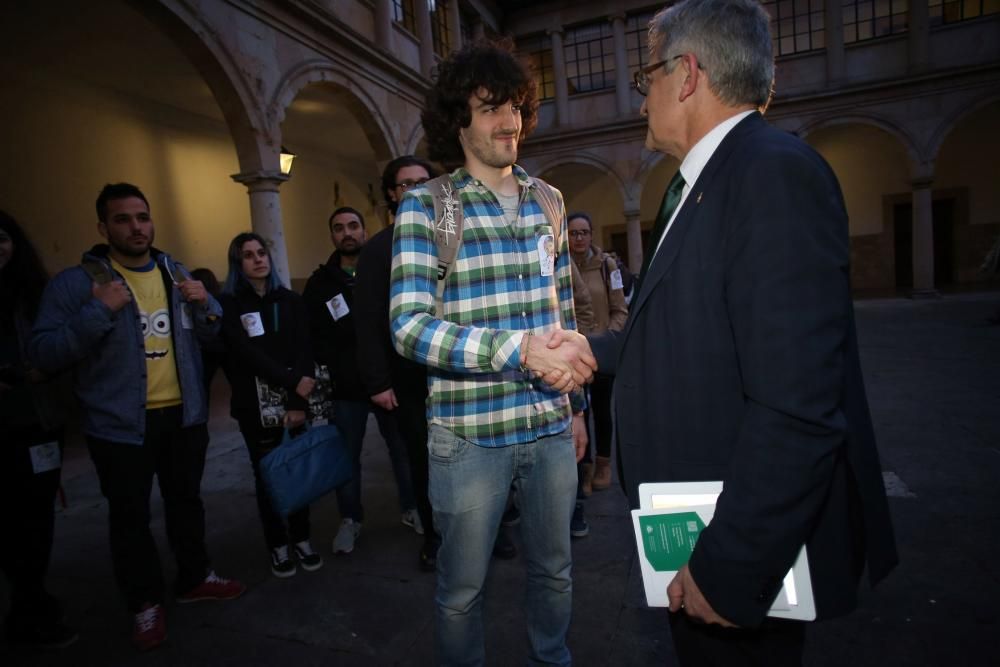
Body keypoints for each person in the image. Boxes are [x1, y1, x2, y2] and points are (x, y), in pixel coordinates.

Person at [580, 2, 899, 664]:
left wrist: (730, 566)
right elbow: (683, 330)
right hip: (689, 520)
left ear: (687, 73)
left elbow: (799, 408)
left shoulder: (769, 173)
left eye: (646, 76)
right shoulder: (703, 183)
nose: (641, 97)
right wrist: (587, 348)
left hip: (727, 546)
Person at [389, 40, 596, 666]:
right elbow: (408, 328)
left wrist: (578, 405)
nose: (508, 122)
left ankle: (552, 658)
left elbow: (562, 313)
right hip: (469, 437)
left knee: (556, 573)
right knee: (461, 591)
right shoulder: (429, 206)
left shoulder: (549, 201)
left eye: (515, 107)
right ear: (459, 121)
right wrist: (516, 349)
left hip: (548, 427)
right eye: (488, 109)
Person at [29, 183, 245, 652]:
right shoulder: (77, 283)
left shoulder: (173, 271)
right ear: (103, 228)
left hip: (183, 417)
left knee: (187, 502)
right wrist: (97, 312)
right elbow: (44, 352)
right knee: (130, 518)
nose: (136, 227)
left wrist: (206, 304)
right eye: (123, 219)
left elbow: (214, 337)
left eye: (142, 217)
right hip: (120, 425)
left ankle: (194, 577)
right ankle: (145, 602)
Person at [303, 206, 421, 555]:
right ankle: (350, 519)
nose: (347, 233)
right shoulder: (320, 283)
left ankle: (412, 507)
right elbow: (313, 334)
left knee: (402, 450)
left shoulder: (386, 269)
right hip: (347, 389)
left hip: (388, 381)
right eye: (339, 228)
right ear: (332, 236)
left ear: (364, 230)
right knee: (347, 457)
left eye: (353, 226)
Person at [355, 155, 443, 571]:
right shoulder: (376, 250)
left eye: (422, 183)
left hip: (456, 372)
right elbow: (368, 321)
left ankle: (489, 533)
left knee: (477, 457)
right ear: (392, 194)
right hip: (408, 378)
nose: (415, 191)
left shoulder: (450, 237)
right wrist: (377, 381)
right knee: (422, 462)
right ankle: (435, 538)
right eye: (406, 185)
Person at [218, 232, 324, 578]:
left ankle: (302, 538)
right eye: (248, 255)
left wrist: (297, 399)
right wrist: (291, 380)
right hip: (254, 408)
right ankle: (278, 545)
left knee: (296, 471)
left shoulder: (290, 301)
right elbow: (244, 354)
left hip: (295, 404)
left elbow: (304, 350)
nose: (257, 259)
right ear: (238, 264)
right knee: (268, 478)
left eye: (261, 252)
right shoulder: (230, 304)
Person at [0, 211, 77, 649]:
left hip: (35, 421)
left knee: (35, 514)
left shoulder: (33, 296)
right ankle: (29, 602)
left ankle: (31, 596)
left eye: (3, 238)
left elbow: (58, 348)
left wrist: (39, 371)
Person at [567, 212, 628, 494]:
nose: (579, 238)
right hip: (573, 352)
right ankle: (586, 468)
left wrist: (608, 338)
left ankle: (604, 464)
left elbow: (620, 308)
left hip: (601, 349)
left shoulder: (607, 265)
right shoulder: (560, 266)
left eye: (584, 232)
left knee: (603, 409)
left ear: (592, 235)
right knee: (580, 410)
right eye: (573, 233)